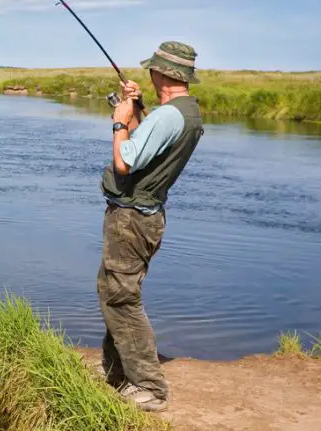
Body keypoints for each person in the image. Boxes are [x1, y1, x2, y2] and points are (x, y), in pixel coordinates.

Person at [96, 41, 204, 412]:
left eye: (153, 69)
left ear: (165, 74)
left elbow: (126, 161)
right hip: (143, 216)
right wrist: (138, 108)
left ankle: (150, 388)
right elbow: (146, 145)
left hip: (132, 220)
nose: (148, 73)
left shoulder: (169, 116)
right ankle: (116, 371)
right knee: (113, 290)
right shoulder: (182, 112)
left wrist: (120, 119)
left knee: (122, 297)